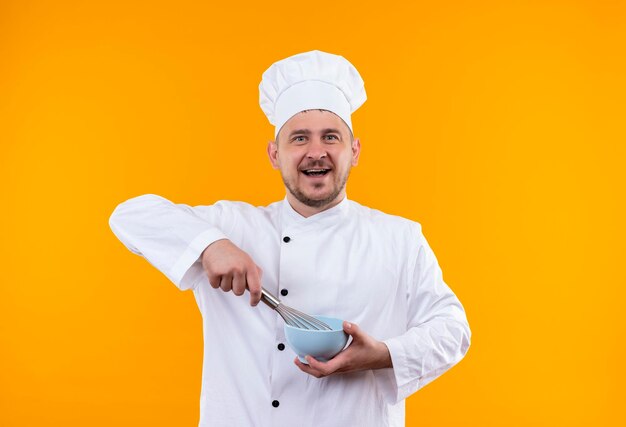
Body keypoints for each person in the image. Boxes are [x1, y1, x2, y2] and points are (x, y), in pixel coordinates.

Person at [109, 50, 471, 427]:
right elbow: (129, 215)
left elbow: (453, 329)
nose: (316, 152)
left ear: (355, 151)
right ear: (274, 154)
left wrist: (383, 354)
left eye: (331, 137)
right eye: (299, 138)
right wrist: (210, 244)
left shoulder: (400, 239)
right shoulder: (232, 226)